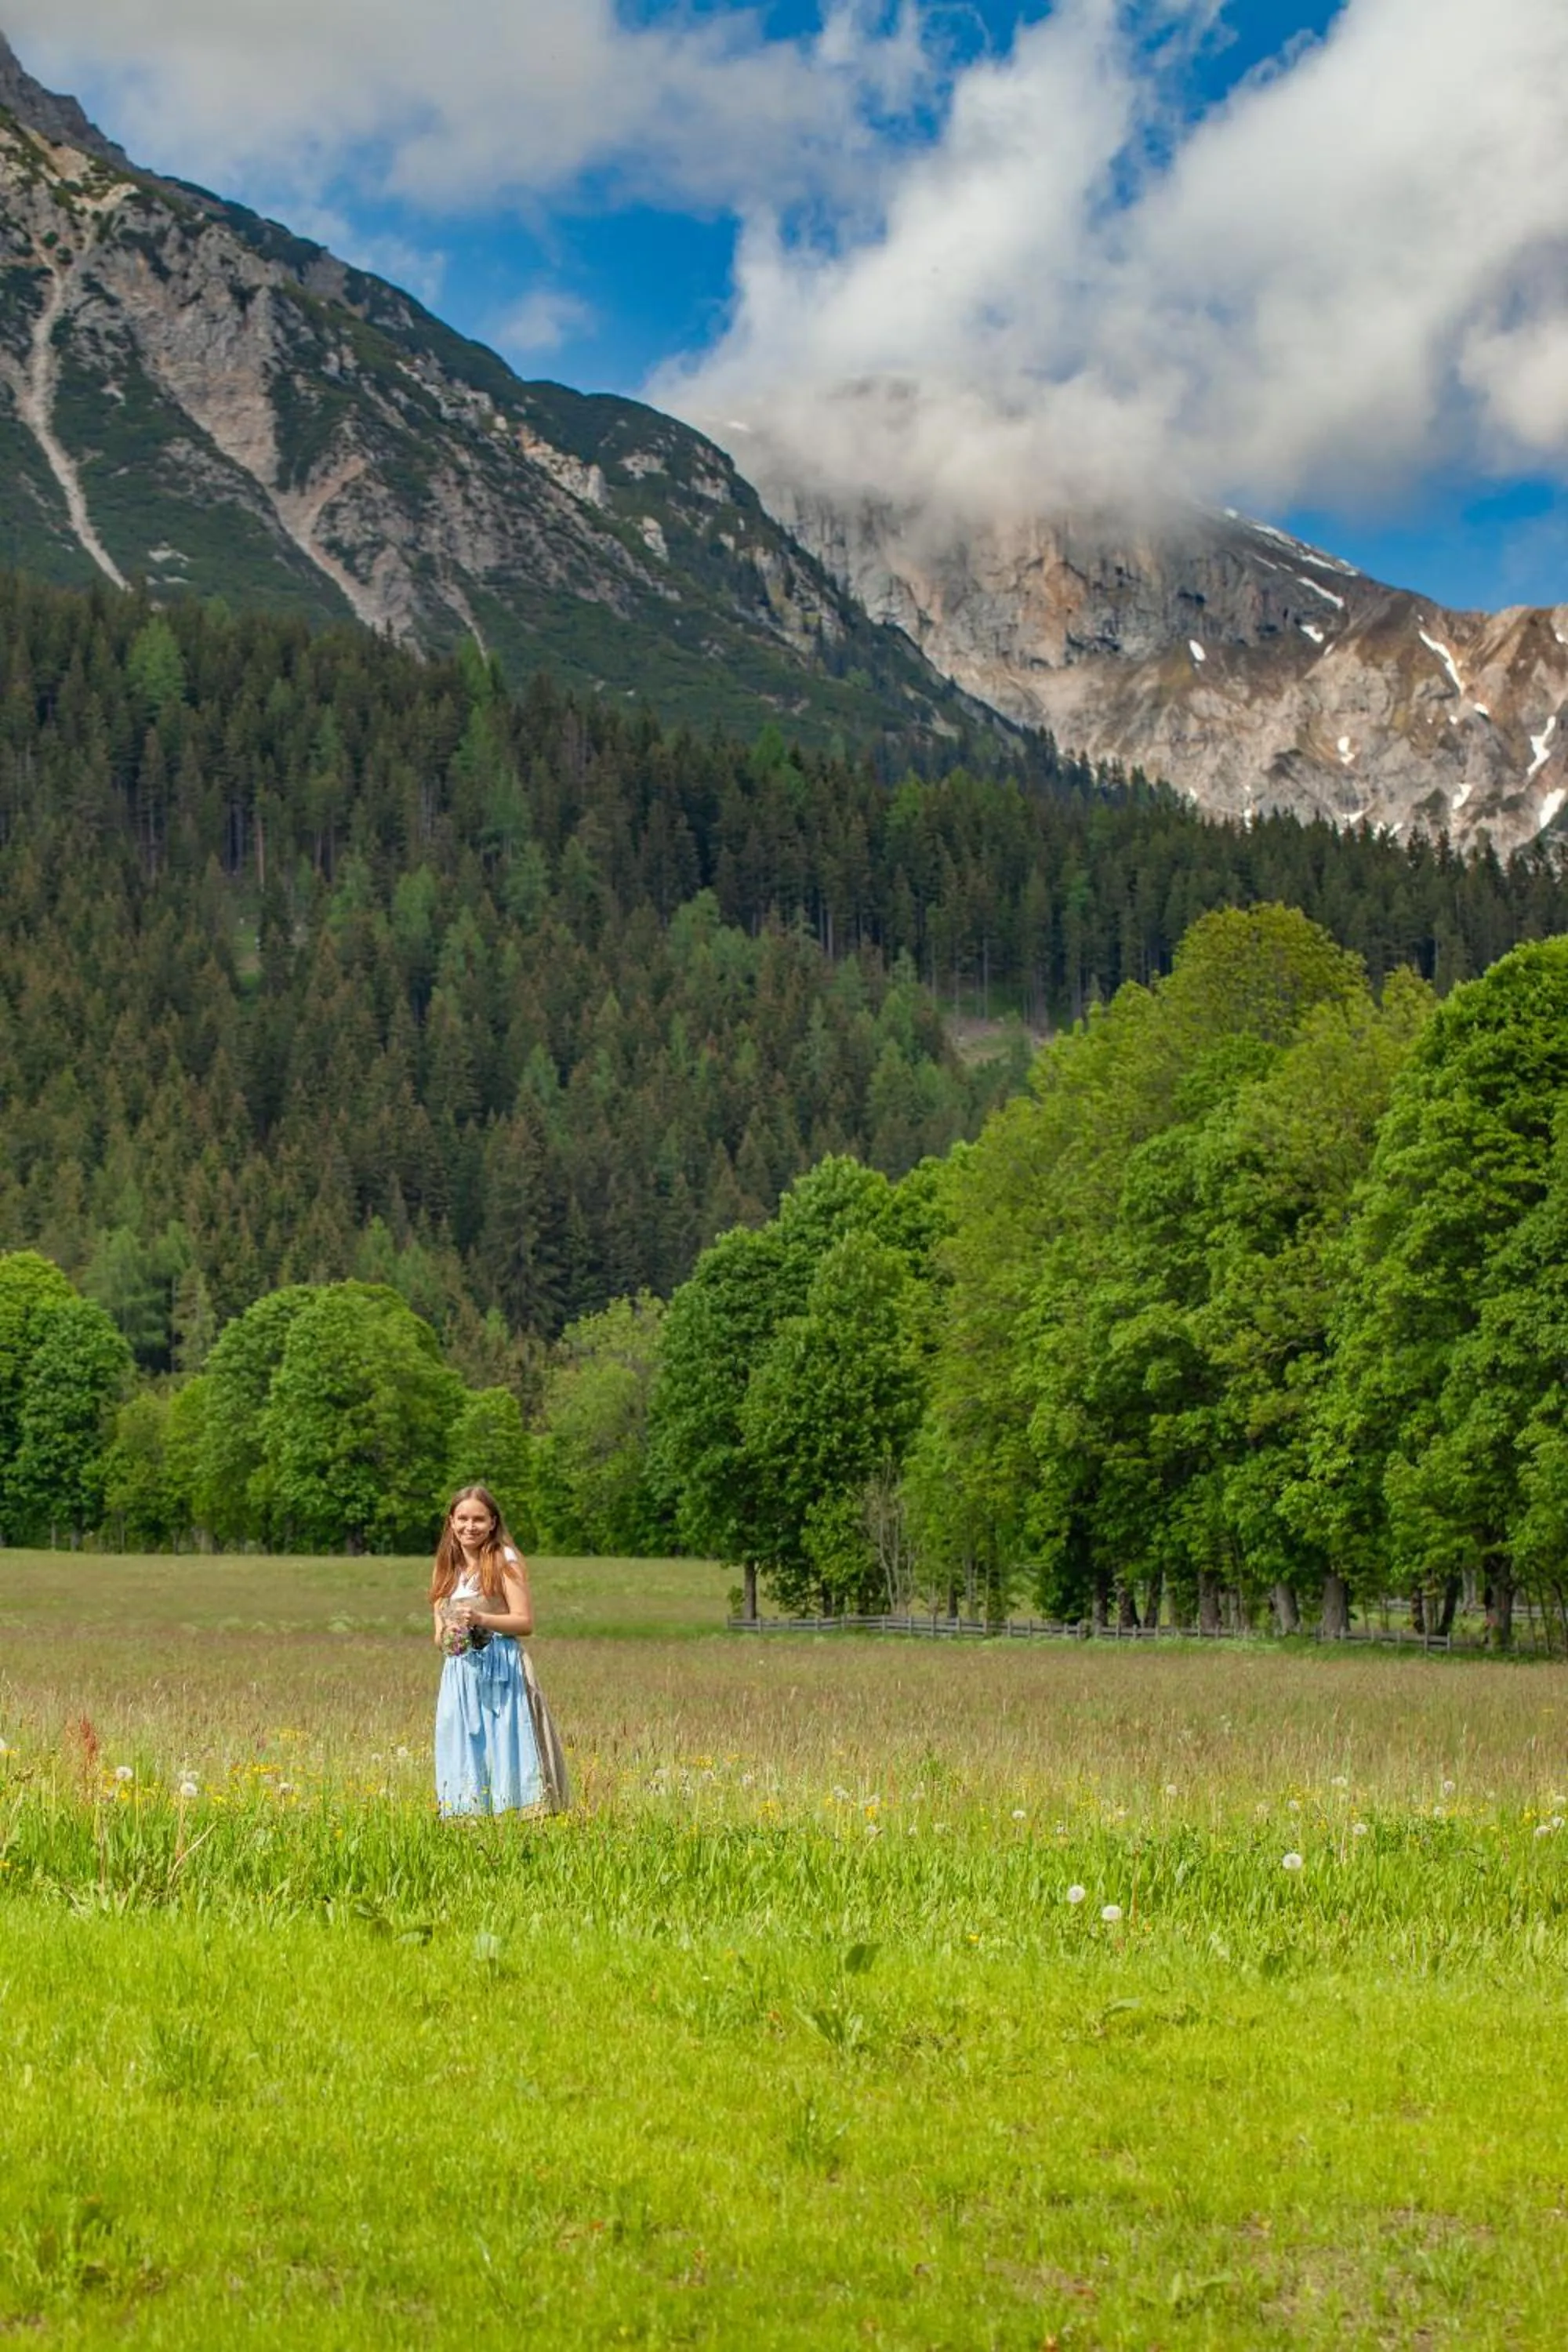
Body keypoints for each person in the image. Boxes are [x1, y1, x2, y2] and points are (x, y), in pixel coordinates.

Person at [430, 1485, 567, 1817]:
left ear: (493, 1522)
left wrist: (481, 1618)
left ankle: (519, 1817)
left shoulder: (504, 1561)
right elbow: (437, 1637)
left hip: (502, 1667)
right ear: (451, 1522)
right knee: (463, 1744)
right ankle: (469, 1820)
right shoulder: (446, 1568)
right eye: (462, 1519)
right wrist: (450, 1634)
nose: (470, 1527)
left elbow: (524, 1622)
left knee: (508, 1742)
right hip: (461, 1673)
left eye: (479, 1519)